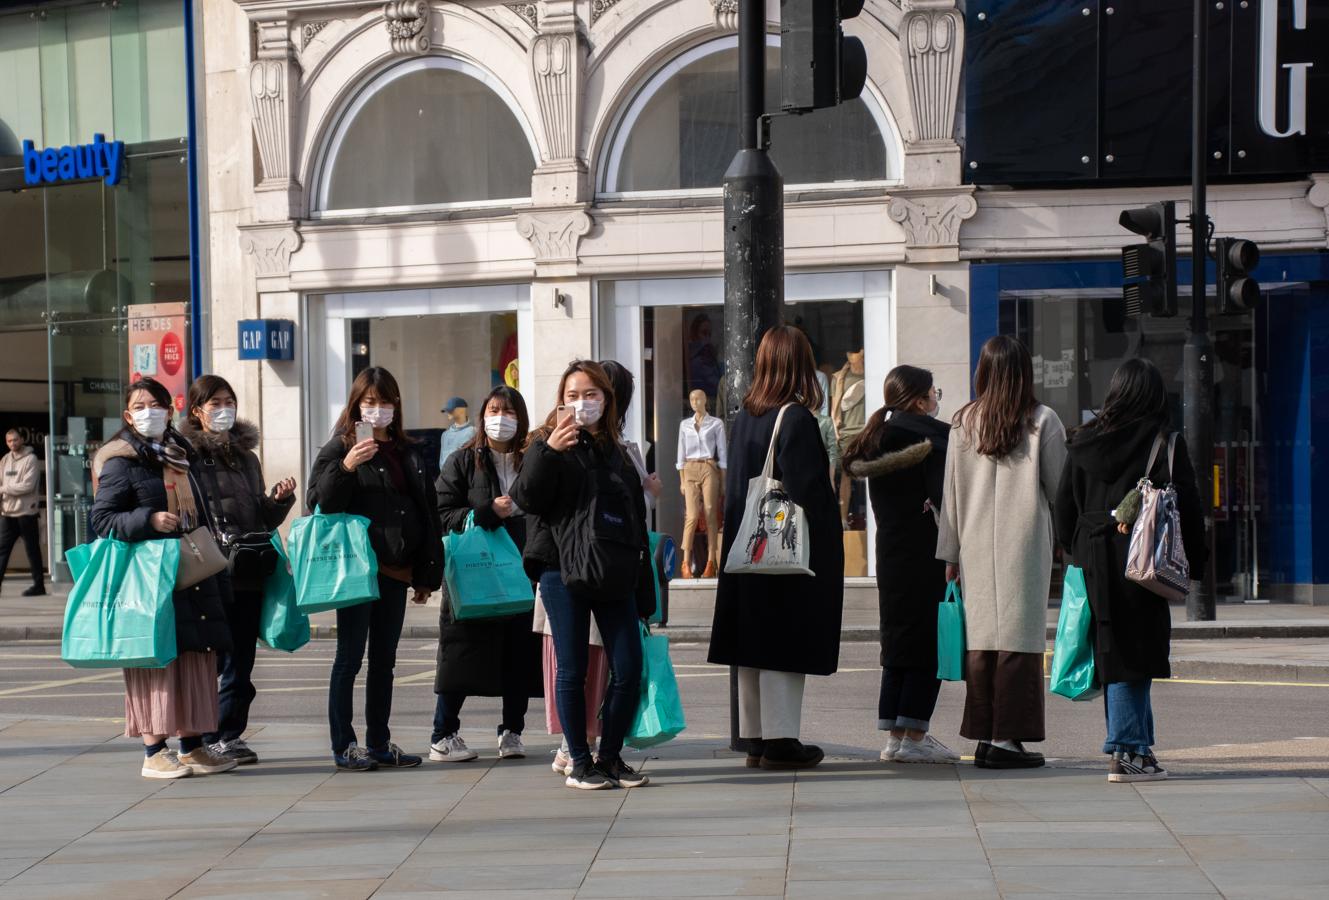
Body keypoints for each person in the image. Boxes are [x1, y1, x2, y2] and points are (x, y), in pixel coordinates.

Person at [1054, 358, 1206, 783]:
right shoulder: (1163, 443)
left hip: (1091, 555)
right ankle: (1125, 750)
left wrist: (1074, 550)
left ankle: (1139, 747)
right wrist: (1196, 561)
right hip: (1142, 559)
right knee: (1132, 653)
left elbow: (1064, 505)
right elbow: (1189, 508)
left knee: (1113, 648)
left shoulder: (1083, 440)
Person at [510, 360, 653, 791]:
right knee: (572, 669)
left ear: (607, 400)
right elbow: (525, 498)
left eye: (591, 394)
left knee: (627, 665)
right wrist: (549, 449)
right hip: (560, 569)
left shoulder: (617, 450)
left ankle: (609, 757)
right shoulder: (544, 443)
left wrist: (645, 589)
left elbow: (631, 518)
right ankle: (578, 760)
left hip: (612, 569)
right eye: (572, 395)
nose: (581, 403)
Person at [709, 326, 844, 771]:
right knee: (785, 643)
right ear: (800, 366)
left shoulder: (747, 415)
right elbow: (807, 488)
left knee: (753, 645)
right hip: (785, 554)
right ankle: (783, 739)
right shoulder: (796, 418)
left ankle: (756, 739)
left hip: (748, 548)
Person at [89, 377, 237, 779]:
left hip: (190, 572)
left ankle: (192, 746)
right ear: (128, 415)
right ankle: (153, 749)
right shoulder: (121, 461)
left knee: (193, 660)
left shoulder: (181, 456)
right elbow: (101, 519)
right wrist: (148, 519)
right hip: (149, 578)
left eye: (156, 404)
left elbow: (202, 516)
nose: (149, 412)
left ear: (169, 411)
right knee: (155, 663)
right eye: (140, 406)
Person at [936, 335, 1067, 770]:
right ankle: (1008, 740)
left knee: (983, 639)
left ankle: (984, 736)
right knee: (1019, 639)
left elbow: (950, 496)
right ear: (1024, 373)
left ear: (983, 372)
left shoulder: (962, 423)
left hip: (973, 543)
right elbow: (1059, 487)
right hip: (1024, 543)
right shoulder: (1041, 420)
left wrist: (950, 554)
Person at [309, 366, 442, 772]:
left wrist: (425, 574)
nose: (378, 410)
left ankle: (379, 742)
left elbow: (426, 513)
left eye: (385, 403)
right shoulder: (339, 448)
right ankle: (344, 744)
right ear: (355, 405)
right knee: (348, 658)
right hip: (355, 572)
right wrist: (347, 466)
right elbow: (322, 504)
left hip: (396, 571)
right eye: (370, 403)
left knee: (384, 660)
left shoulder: (407, 452)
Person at [844, 366, 959, 765]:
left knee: (896, 640)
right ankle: (915, 734)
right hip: (926, 551)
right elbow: (945, 501)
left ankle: (895, 734)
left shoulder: (877, 437)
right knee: (929, 641)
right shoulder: (931, 439)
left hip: (890, 551)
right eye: (933, 392)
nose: (936, 399)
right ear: (917, 400)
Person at [181, 375, 296, 766]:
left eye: (229, 401)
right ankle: (205, 737)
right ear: (197, 411)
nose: (224, 409)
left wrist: (279, 501)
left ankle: (229, 735)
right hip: (209, 572)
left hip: (248, 568)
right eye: (215, 403)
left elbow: (261, 516)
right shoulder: (188, 457)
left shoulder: (247, 457)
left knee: (241, 659)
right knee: (213, 659)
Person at [430, 385, 542, 763]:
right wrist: (484, 512)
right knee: (463, 650)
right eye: (494, 410)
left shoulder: (532, 460)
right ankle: (443, 733)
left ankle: (512, 731)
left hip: (521, 571)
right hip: (475, 571)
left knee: (519, 653)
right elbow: (443, 513)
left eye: (509, 411)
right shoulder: (462, 462)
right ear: (482, 416)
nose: (501, 418)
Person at [0, 429, 45, 596]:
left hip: (27, 513)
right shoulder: (4, 460)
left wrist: (4, 489)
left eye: (15, 440)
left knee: (32, 550)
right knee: (2, 551)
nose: (13, 443)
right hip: (8, 513)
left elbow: (27, 486)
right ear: (6, 442)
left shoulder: (31, 459)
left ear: (22, 439)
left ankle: (39, 586)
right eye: (9, 441)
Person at [438, 397, 476, 468]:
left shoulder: (473, 432)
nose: (447, 413)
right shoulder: (445, 435)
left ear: (461, 410)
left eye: (450, 410)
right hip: (445, 476)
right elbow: (442, 461)